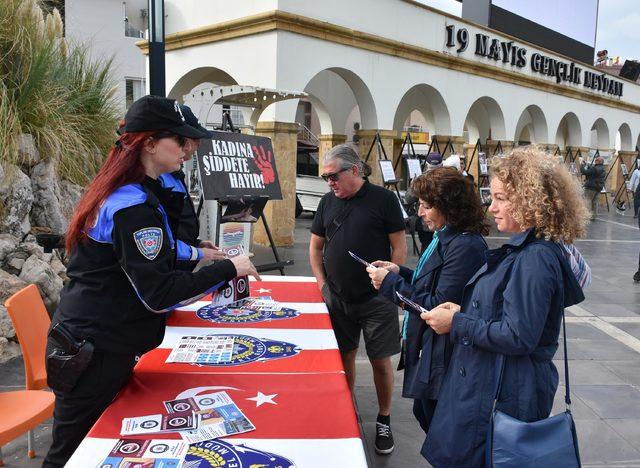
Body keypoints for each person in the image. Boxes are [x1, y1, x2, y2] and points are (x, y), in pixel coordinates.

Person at [43, 95, 261, 467]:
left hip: (98, 342)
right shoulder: (132, 204)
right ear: (148, 143)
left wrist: (198, 254)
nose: (187, 149)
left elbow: (145, 254)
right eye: (180, 141)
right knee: (72, 455)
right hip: (94, 351)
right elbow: (158, 294)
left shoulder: (132, 192)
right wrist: (227, 269)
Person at [419, 147, 589, 467]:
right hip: (494, 387)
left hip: (503, 394)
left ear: (529, 200)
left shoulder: (535, 257)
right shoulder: (529, 250)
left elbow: (519, 335)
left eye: (500, 198)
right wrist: (466, 312)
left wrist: (457, 323)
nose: (492, 207)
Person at [366, 167, 488, 434]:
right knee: (425, 412)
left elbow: (435, 303)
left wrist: (389, 284)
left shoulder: (466, 246)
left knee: (437, 423)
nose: (420, 213)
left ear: (449, 206)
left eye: (426, 206)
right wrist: (401, 272)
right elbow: (432, 281)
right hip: (432, 348)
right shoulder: (446, 238)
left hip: (444, 352)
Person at [309, 144, 407, 455]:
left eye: (333, 176)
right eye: (325, 178)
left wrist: (391, 281)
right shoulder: (327, 202)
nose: (329, 183)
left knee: (380, 361)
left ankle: (384, 418)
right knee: (345, 358)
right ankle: (346, 411)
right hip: (339, 298)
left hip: (377, 298)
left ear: (354, 170)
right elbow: (315, 248)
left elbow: (399, 246)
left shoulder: (384, 199)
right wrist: (323, 286)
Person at [158, 105, 225, 270]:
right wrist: (199, 253)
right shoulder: (153, 183)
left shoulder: (173, 173)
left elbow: (174, 228)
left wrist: (196, 244)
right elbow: (161, 245)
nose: (189, 148)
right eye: (192, 140)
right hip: (170, 269)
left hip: (179, 264)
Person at [581, 155, 606, 220]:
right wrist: (588, 165)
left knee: (586, 201)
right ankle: (593, 216)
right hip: (598, 187)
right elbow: (593, 172)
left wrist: (582, 165)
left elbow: (584, 172)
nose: (595, 161)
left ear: (599, 161)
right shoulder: (602, 168)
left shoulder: (595, 168)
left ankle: (585, 215)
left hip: (591, 187)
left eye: (596, 160)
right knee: (594, 202)